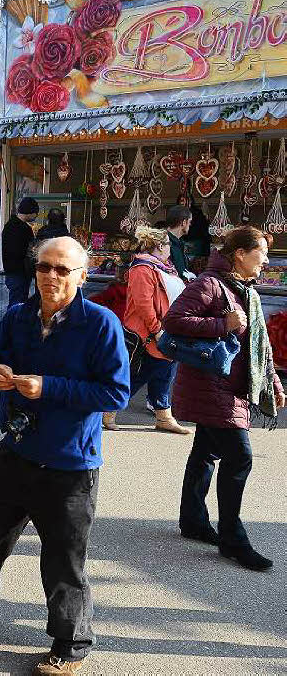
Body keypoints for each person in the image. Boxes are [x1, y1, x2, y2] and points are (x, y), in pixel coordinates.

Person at [0, 236, 130, 676]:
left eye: (63, 269)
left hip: (69, 465)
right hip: (16, 452)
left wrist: (49, 387)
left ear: (82, 274)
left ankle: (70, 643)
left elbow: (115, 392)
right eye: (45, 267)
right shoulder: (19, 316)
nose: (52, 277)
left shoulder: (101, 324)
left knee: (63, 559)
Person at [166, 226, 285, 572]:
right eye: (260, 252)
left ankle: (193, 520)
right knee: (239, 457)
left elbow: (256, 347)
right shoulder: (209, 285)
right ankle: (232, 539)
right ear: (239, 254)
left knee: (206, 451)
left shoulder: (244, 289)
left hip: (228, 385)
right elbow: (173, 320)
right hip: (213, 386)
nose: (265, 261)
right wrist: (222, 323)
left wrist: (272, 382)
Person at [103, 225, 189, 433]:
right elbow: (143, 304)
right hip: (147, 331)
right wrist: (156, 330)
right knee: (142, 372)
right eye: (169, 245)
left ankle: (163, 415)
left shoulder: (161, 267)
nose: (171, 249)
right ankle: (110, 409)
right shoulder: (143, 268)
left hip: (161, 329)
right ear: (160, 246)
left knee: (163, 370)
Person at [2, 197, 39, 307]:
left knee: (16, 302)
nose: (36, 216)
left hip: (11, 271)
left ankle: (14, 323)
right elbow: (29, 250)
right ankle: (14, 324)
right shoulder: (23, 229)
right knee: (18, 303)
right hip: (20, 272)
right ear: (30, 212)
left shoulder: (9, 226)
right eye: (35, 213)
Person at [166, 204, 194, 282]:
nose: (190, 225)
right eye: (190, 221)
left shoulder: (179, 243)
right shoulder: (164, 244)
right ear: (184, 222)